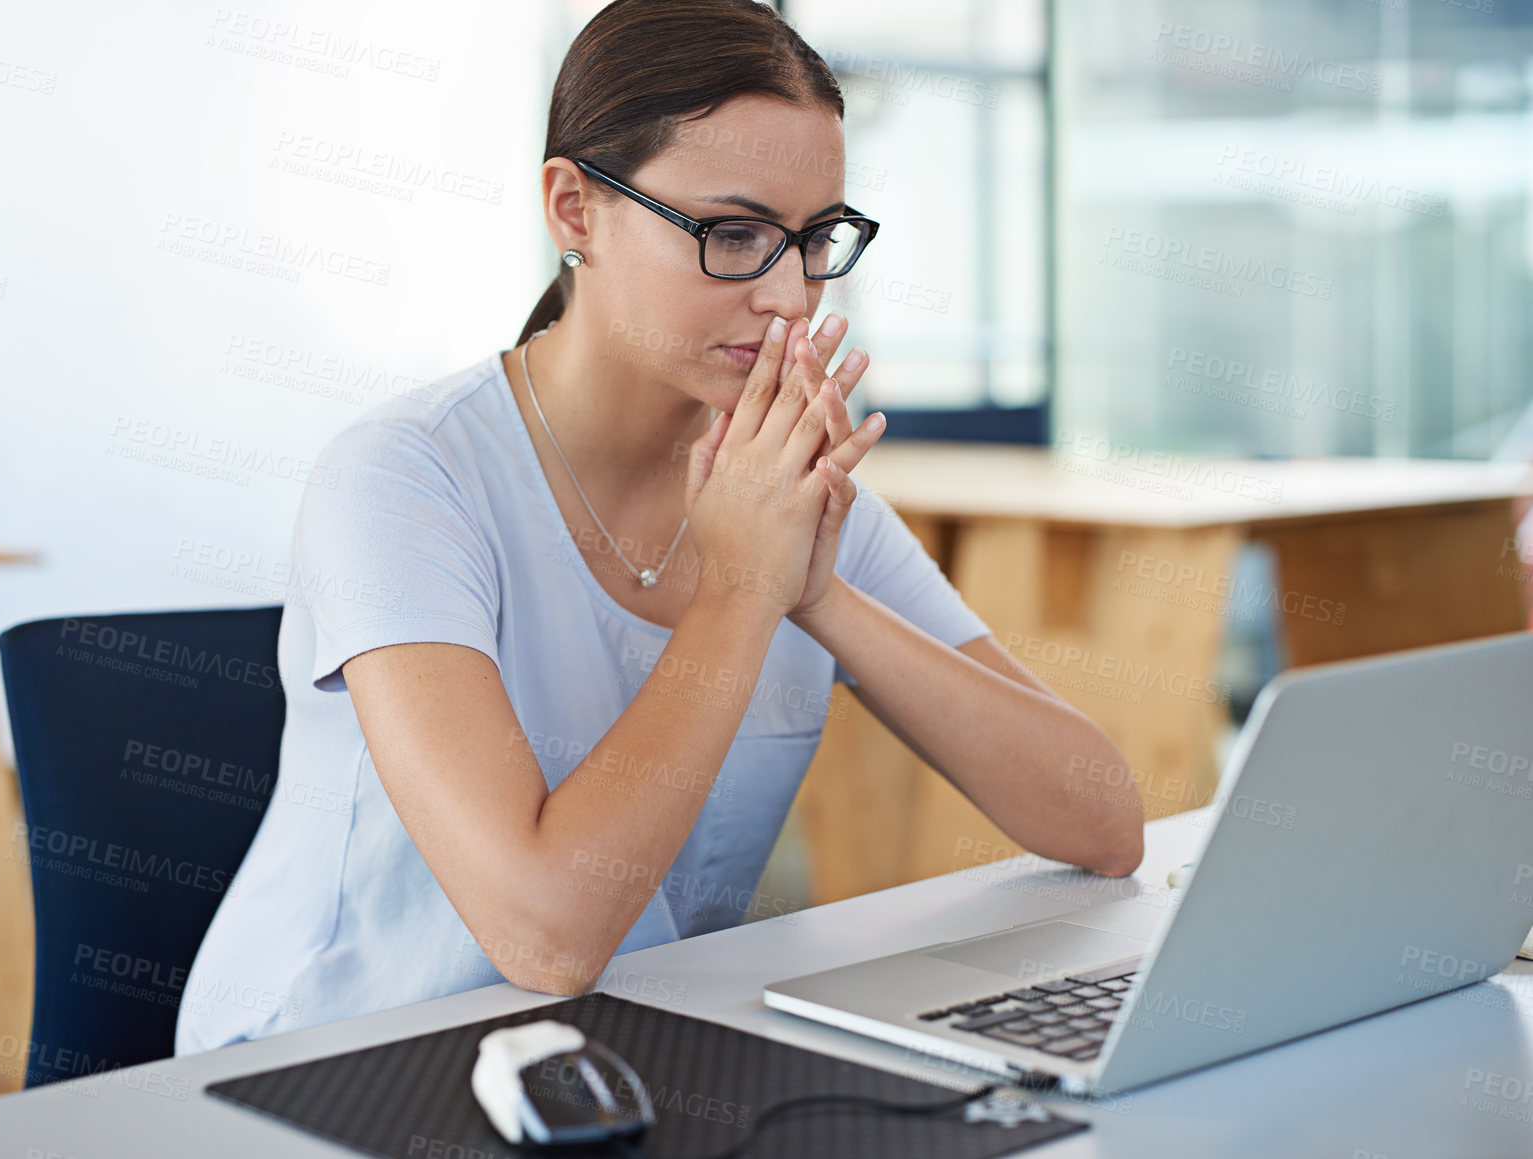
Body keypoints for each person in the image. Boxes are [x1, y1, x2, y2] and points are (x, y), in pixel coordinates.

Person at [175, 0, 1142, 1056]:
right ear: (574, 208)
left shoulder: (779, 484)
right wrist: (740, 592)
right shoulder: (404, 481)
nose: (788, 295)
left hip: (620, 1057)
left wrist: (814, 590)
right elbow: (546, 937)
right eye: (732, 234)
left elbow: (1100, 821)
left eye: (816, 240)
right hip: (333, 1067)